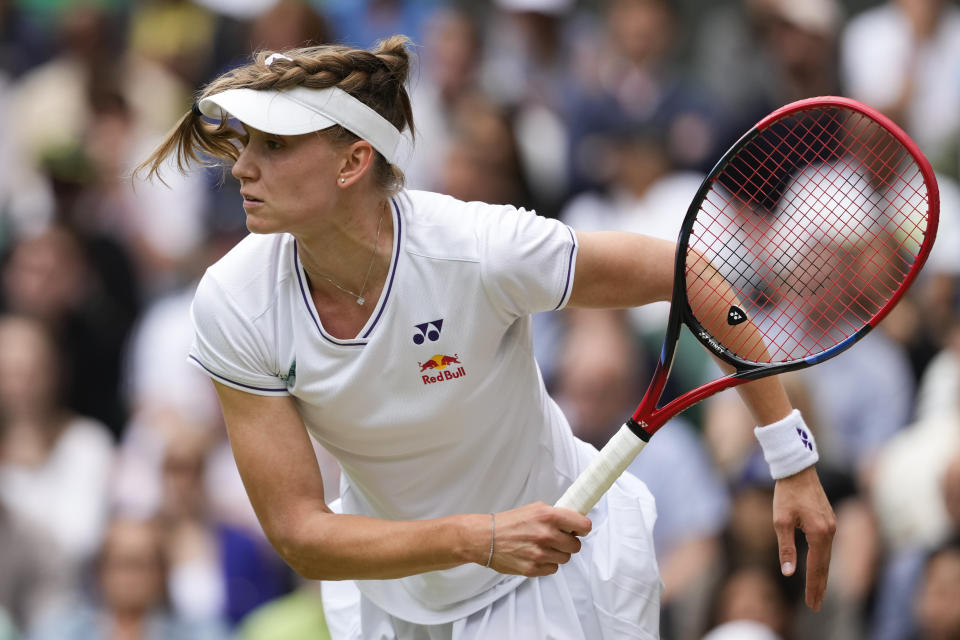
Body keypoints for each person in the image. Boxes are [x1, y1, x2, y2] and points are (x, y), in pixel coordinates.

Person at [137, 36, 836, 638]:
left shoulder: (479, 249)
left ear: (352, 163)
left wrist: (789, 455)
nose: (241, 166)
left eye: (275, 146)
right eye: (246, 144)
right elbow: (301, 534)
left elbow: (687, 274)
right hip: (397, 590)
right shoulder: (233, 302)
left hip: (552, 574)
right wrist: (477, 537)